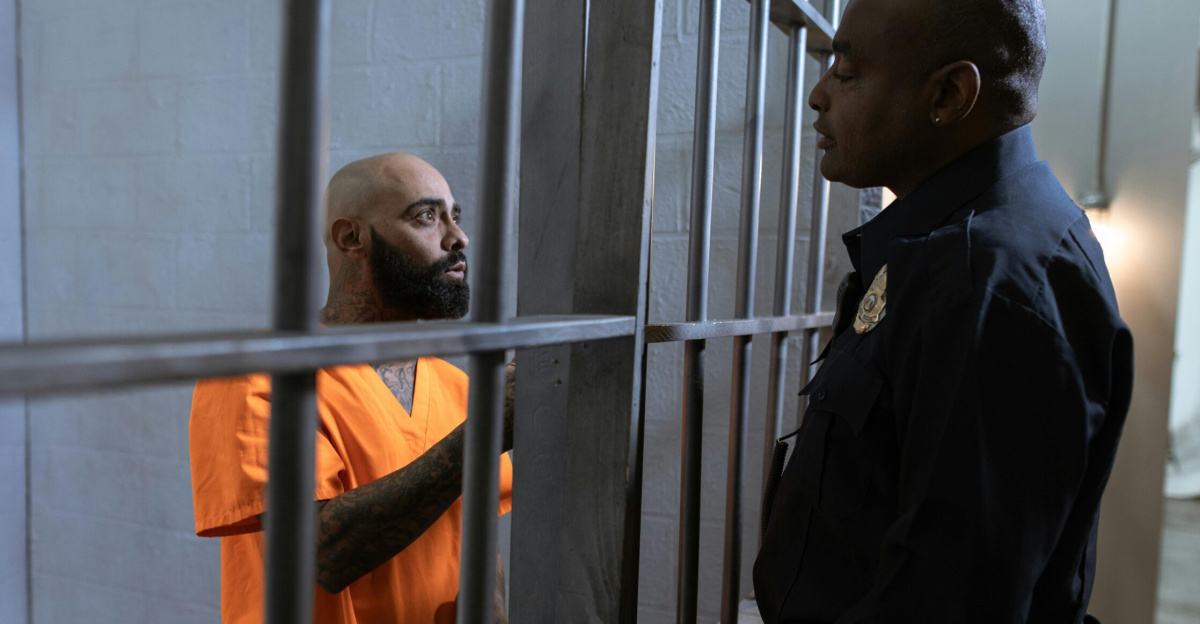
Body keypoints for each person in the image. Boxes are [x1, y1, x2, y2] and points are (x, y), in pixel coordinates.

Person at [753, 0, 1133, 622]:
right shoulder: (965, 245)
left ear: (950, 94)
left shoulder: (984, 279)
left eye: (845, 72)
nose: (819, 95)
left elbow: (949, 601)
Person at [189, 153, 514, 624]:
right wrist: (485, 431)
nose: (458, 238)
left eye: (455, 216)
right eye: (426, 216)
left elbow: (476, 533)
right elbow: (321, 554)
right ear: (351, 238)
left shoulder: (455, 385)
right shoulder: (258, 373)